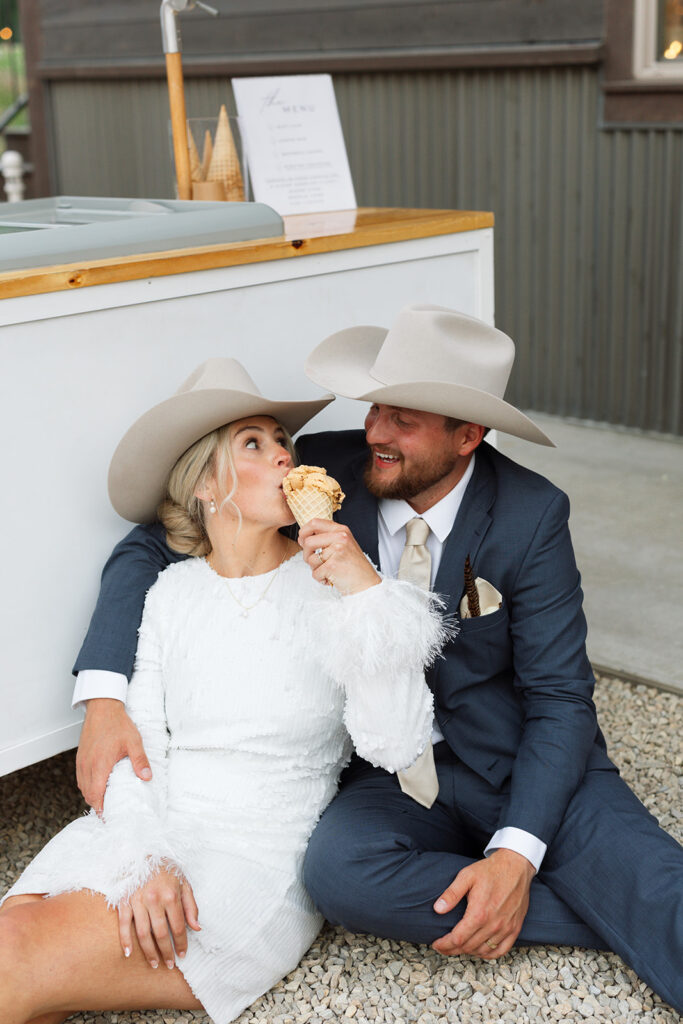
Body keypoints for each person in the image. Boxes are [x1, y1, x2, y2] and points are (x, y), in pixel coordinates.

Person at [48, 307, 682, 1014]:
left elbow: (561, 699)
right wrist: (104, 697)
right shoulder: (322, 472)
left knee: (657, 889)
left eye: (403, 418)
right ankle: (592, 910)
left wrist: (514, 853)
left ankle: (585, 897)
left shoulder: (533, 515)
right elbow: (150, 543)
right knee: (338, 875)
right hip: (389, 771)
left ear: (467, 435)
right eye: (376, 405)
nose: (376, 430)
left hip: (515, 757)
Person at [0, 358, 450, 1024]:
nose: (281, 457)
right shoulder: (170, 594)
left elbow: (396, 744)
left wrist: (364, 596)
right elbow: (139, 740)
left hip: (253, 860)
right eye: (253, 443)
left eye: (281, 443)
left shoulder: (336, 585)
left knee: (15, 960)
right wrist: (143, 855)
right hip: (146, 826)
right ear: (206, 484)